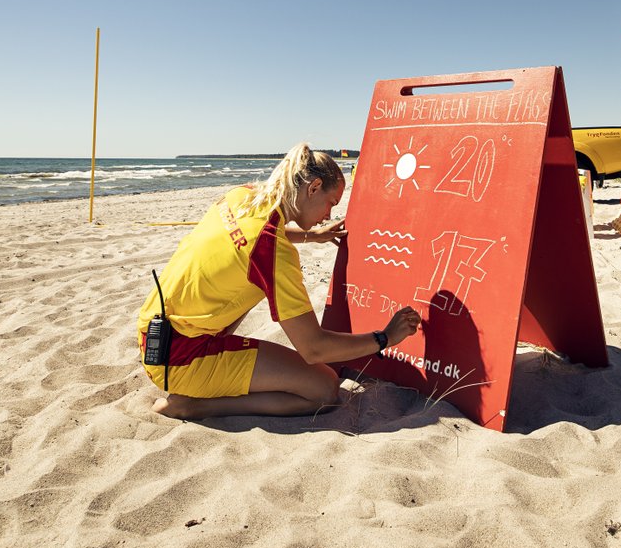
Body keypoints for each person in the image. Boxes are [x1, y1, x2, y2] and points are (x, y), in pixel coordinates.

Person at [135, 143, 421, 419]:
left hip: (153, 332)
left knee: (248, 280)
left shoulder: (241, 195)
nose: (329, 215)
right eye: (330, 203)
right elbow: (313, 348)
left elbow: (258, 234)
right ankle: (193, 406)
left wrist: (313, 235)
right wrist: (385, 338)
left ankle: (199, 387)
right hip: (181, 358)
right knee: (323, 388)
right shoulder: (274, 252)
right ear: (314, 187)